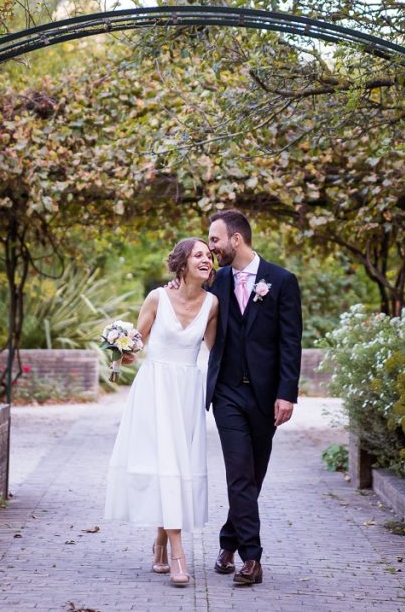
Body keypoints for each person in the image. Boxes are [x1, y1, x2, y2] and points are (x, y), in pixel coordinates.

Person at [104, 238, 219, 587]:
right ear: (182, 263)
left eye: (209, 256)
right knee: (166, 466)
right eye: (199, 254)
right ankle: (178, 557)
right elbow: (135, 347)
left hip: (186, 394)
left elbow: (217, 352)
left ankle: (159, 541)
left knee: (175, 469)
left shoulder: (213, 304)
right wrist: (120, 351)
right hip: (154, 391)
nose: (207, 259)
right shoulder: (157, 297)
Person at [204, 209, 302, 585]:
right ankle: (252, 558)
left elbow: (290, 342)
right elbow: (191, 309)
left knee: (253, 475)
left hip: (265, 396)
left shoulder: (281, 281)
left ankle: (228, 541)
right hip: (226, 393)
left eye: (214, 240)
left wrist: (286, 394)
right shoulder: (216, 282)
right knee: (239, 472)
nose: (211, 248)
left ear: (236, 239)